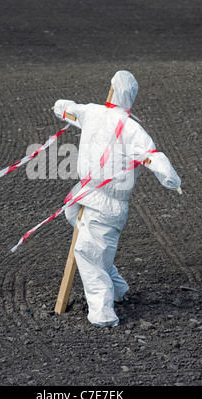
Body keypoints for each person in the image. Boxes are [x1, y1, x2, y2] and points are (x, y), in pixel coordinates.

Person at [53, 71, 182, 328]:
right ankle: (118, 288)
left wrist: (60, 106)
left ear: (112, 90)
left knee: (88, 250)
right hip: (94, 197)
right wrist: (172, 180)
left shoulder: (93, 112)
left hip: (99, 199)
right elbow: (153, 156)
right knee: (93, 244)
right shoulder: (131, 128)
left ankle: (102, 313)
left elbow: (64, 109)